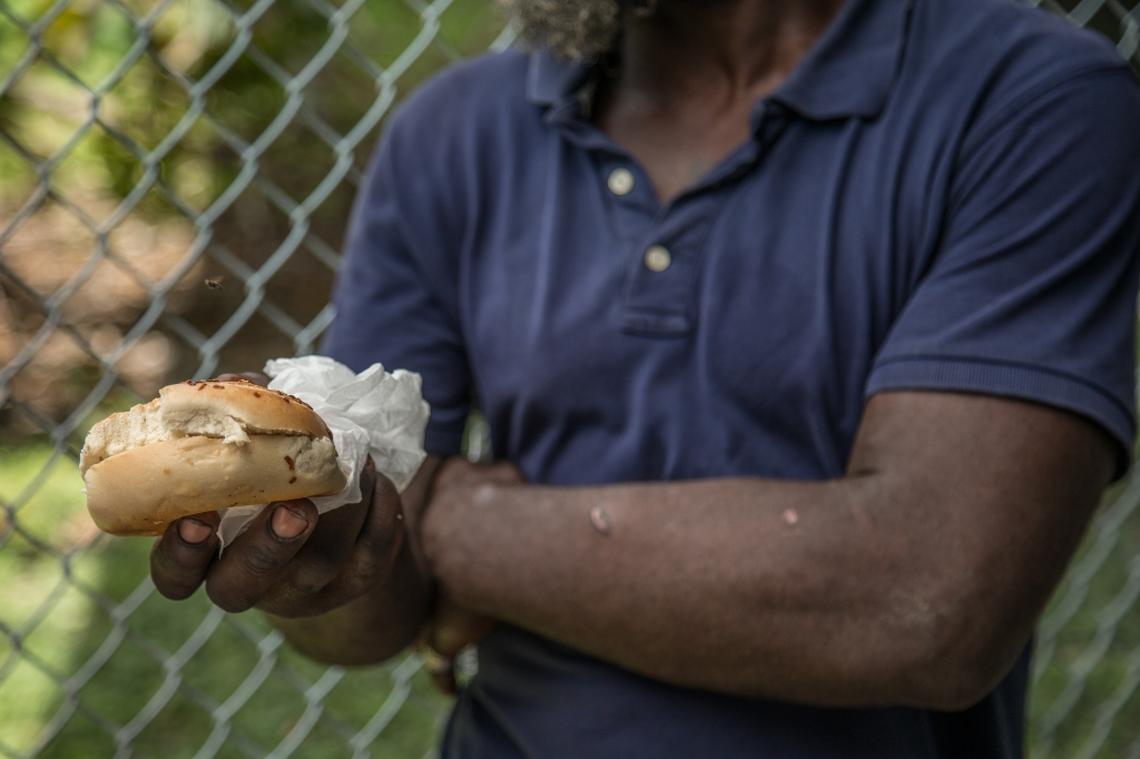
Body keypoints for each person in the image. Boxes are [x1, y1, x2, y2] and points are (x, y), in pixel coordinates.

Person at [148, 0, 1140, 756]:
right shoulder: (454, 133)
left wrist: (454, 524)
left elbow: (925, 601)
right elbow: (370, 608)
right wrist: (316, 554)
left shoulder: (1030, 101)